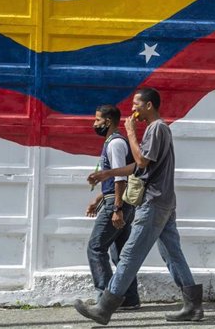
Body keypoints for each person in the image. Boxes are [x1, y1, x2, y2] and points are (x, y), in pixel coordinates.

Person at [74, 88, 203, 325]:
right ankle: (193, 307)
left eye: (136, 104)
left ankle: (104, 308)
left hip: (153, 202)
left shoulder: (157, 129)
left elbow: (141, 161)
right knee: (173, 255)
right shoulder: (156, 130)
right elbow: (139, 167)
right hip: (163, 201)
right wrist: (108, 174)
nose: (132, 109)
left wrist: (131, 133)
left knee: (130, 255)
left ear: (149, 106)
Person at [86, 105, 140, 310]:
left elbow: (120, 177)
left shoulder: (116, 143)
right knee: (120, 254)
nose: (94, 124)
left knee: (96, 247)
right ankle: (130, 298)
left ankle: (105, 299)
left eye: (97, 120)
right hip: (115, 201)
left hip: (117, 204)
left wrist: (117, 209)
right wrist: (98, 199)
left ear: (108, 121)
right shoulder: (112, 142)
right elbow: (113, 180)